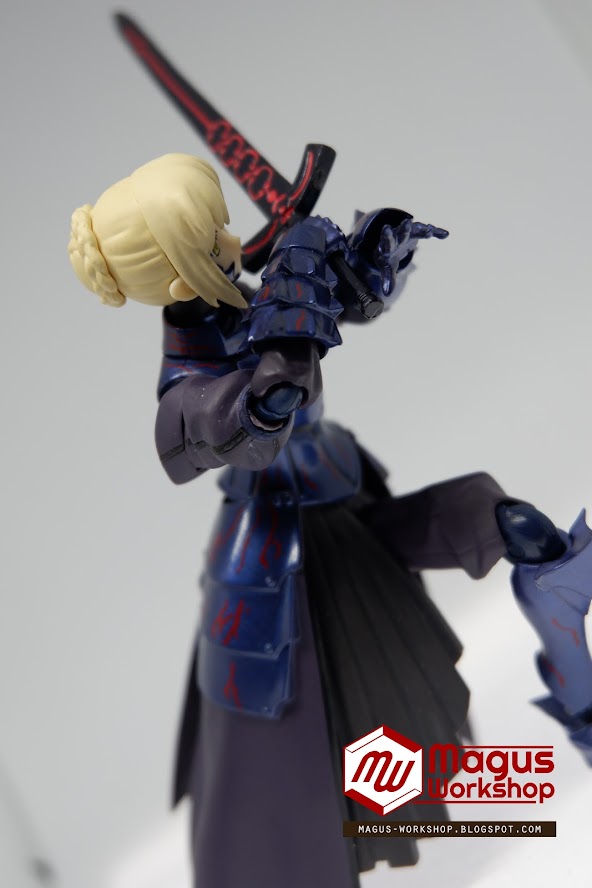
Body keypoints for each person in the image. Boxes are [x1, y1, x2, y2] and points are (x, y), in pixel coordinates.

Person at [68, 153, 569, 888]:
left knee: (505, 525)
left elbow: (351, 302)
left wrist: (366, 252)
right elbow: (237, 418)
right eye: (211, 239)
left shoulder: (250, 300)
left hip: (344, 496)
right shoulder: (188, 377)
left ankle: (566, 662)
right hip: (275, 560)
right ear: (178, 279)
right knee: (297, 745)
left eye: (222, 226)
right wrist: (282, 341)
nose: (233, 242)